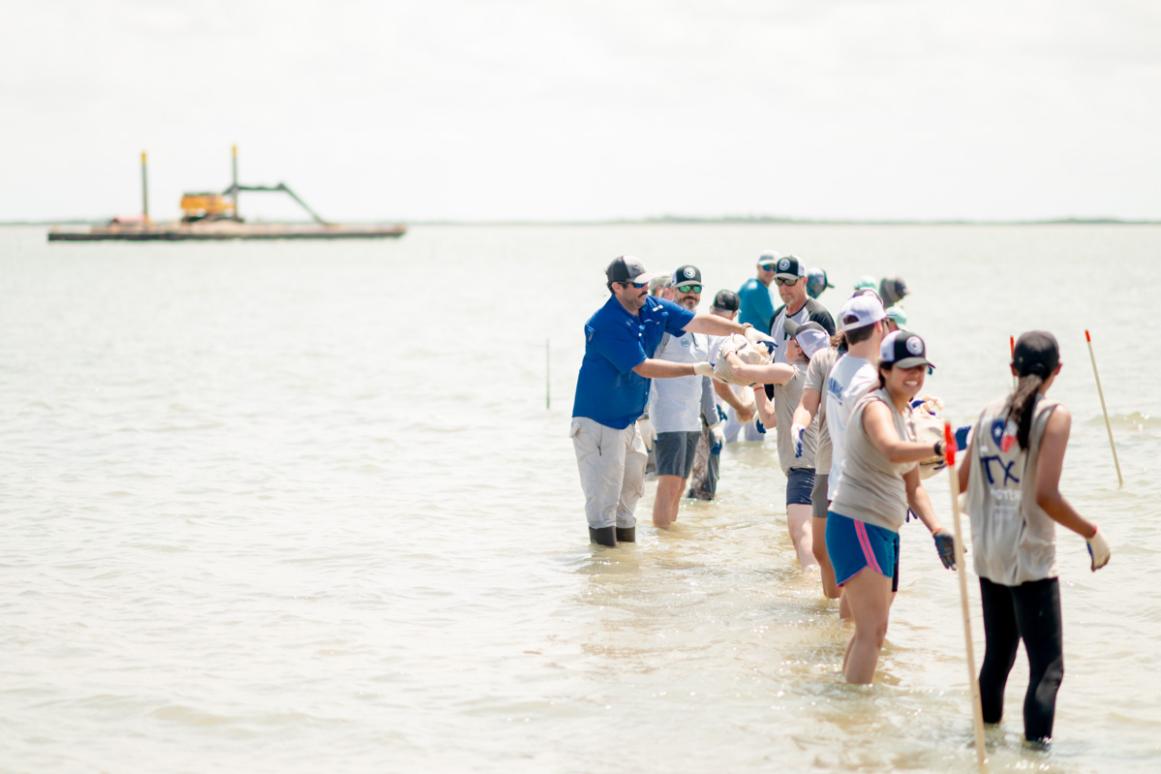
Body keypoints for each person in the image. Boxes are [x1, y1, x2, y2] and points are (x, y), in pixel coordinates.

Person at [958, 330, 1111, 745]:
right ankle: (1035, 761)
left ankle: (983, 745)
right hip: (1028, 555)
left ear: (1013, 369)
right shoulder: (1054, 415)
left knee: (997, 659)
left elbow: (961, 479)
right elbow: (1045, 495)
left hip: (989, 551)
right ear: (1057, 371)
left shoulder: (988, 411)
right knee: (1047, 669)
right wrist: (1091, 533)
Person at [571, 256, 750, 547]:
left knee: (630, 498)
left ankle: (626, 571)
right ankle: (603, 573)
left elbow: (698, 321)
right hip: (598, 422)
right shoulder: (606, 323)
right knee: (603, 505)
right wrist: (695, 368)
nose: (646, 288)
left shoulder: (652, 308)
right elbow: (643, 366)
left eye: (646, 282)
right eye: (638, 285)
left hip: (627, 421)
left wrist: (741, 330)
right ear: (617, 287)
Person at [826, 330, 957, 684]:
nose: (914, 376)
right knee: (873, 632)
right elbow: (890, 449)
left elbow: (914, 489)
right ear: (884, 370)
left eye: (921, 368)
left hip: (883, 527)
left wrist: (938, 530)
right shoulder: (875, 407)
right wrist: (939, 449)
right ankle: (858, 718)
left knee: (871, 630)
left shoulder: (905, 416)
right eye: (906, 368)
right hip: (857, 522)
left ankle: (845, 703)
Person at [749, 320, 831, 568]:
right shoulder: (816, 377)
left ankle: (811, 589)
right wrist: (758, 387)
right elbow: (770, 419)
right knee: (807, 536)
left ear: (798, 348)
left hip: (804, 467)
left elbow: (740, 372)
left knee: (801, 532)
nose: (785, 342)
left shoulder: (789, 371)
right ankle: (819, 585)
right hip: (818, 466)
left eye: (791, 339)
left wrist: (733, 350)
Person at [649, 265, 712, 528]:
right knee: (670, 482)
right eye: (684, 288)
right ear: (672, 290)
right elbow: (644, 366)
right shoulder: (663, 324)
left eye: (695, 288)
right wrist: (643, 416)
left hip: (691, 420)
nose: (690, 294)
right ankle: (663, 549)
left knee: (681, 483)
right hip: (667, 417)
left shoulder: (700, 326)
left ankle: (669, 543)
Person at [791, 328, 845, 605]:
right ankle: (831, 609)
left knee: (849, 549)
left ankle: (847, 617)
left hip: (859, 469)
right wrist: (798, 425)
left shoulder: (881, 359)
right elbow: (807, 404)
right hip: (825, 463)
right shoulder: (825, 358)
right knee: (821, 550)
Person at [688, 289, 755, 500]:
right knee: (704, 488)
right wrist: (741, 407)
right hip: (708, 415)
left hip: (685, 410)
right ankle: (700, 529)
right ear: (735, 315)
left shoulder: (698, 330)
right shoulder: (727, 338)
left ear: (711, 309)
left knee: (686, 478)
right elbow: (718, 384)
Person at [824, 295, 888, 503]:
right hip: (863, 499)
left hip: (840, 490)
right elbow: (885, 445)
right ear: (879, 326)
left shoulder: (841, 367)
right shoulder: (868, 380)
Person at [768, 255, 836, 364]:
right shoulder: (776, 317)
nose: (783, 288)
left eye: (789, 281)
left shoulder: (819, 316)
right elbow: (772, 360)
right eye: (779, 281)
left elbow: (830, 363)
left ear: (804, 281)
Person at [738, 251, 779, 332]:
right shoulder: (758, 290)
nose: (771, 271)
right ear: (758, 267)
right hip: (757, 342)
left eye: (774, 268)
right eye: (767, 267)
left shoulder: (745, 286)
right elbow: (773, 323)